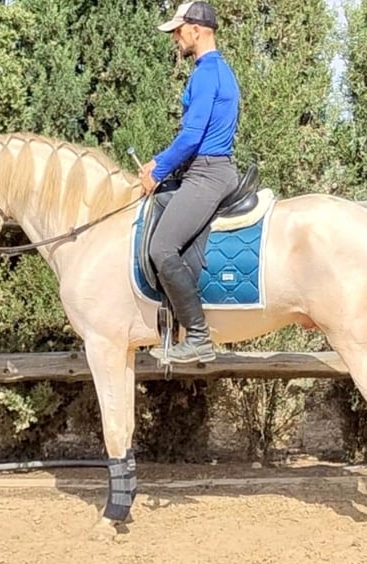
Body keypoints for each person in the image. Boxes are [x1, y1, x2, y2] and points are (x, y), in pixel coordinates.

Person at [141, 2, 240, 364]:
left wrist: (157, 167)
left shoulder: (205, 74)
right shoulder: (220, 70)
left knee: (161, 248)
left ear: (196, 30)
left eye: (178, 31)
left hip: (207, 173)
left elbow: (191, 136)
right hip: (209, 169)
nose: (175, 39)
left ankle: (197, 336)